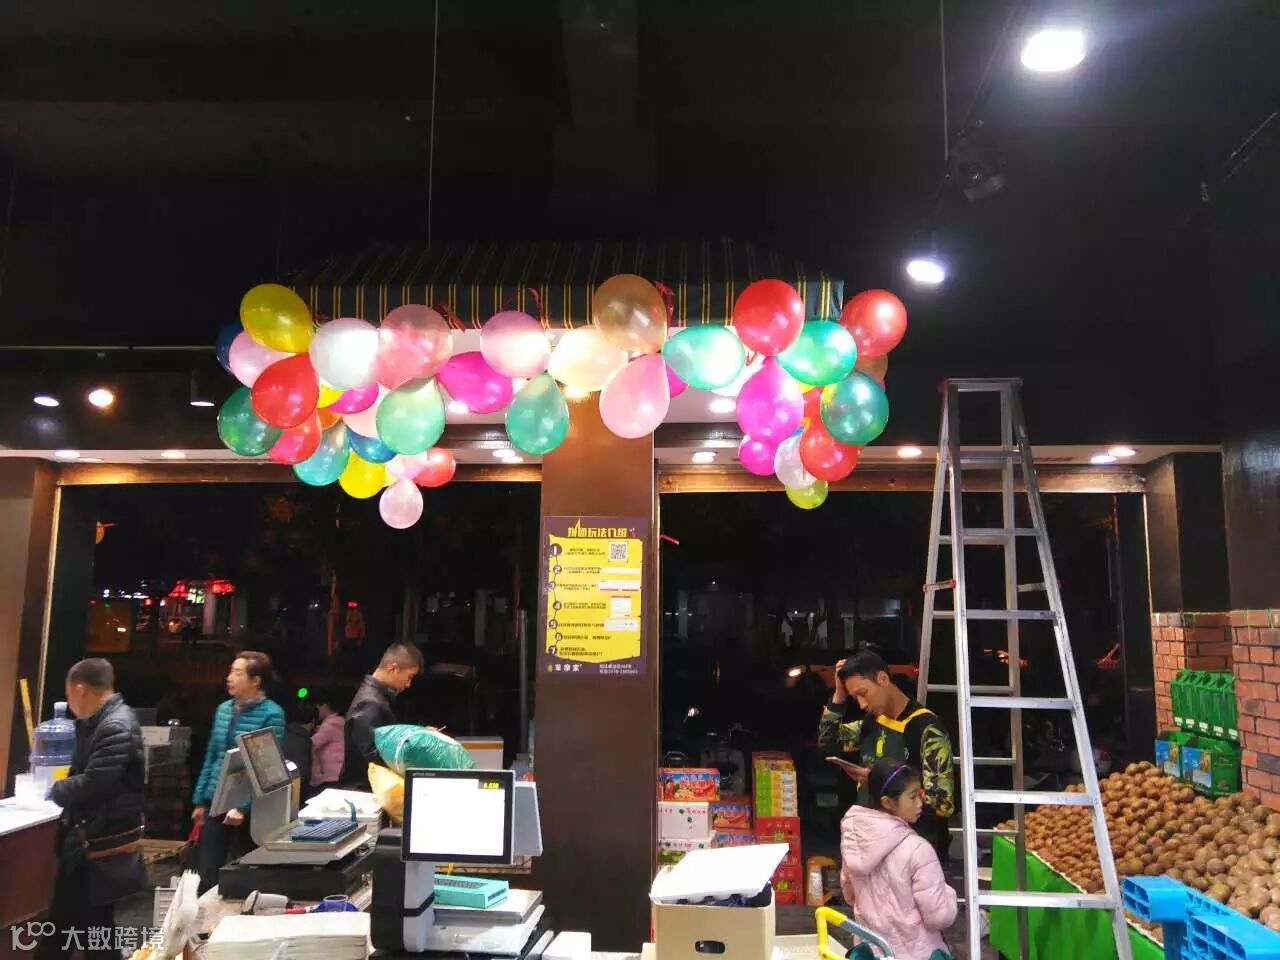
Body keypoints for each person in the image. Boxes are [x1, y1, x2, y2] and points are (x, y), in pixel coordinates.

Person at [39, 659, 145, 960]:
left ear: (80, 690)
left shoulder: (114, 726)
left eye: (69, 694)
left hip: (98, 843)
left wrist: (57, 790)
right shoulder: (104, 721)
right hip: (87, 840)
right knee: (71, 925)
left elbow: (96, 781)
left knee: (89, 928)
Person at [819, 651, 955, 859]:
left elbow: (942, 803)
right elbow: (828, 742)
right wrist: (839, 696)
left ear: (883, 679)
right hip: (871, 840)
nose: (862, 704)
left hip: (910, 850)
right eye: (855, 697)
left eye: (863, 693)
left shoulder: (926, 728)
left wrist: (878, 782)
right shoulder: (873, 721)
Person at [840, 759, 958, 960]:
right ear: (887, 802)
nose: (920, 803)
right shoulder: (918, 850)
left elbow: (850, 895)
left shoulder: (854, 842)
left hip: (871, 953)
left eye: (920, 794)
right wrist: (948, 894)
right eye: (912, 797)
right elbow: (938, 916)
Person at [190, 651, 286, 893]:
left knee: (244, 873)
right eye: (231, 671)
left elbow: (268, 768)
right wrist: (200, 799)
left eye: (237, 673)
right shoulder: (224, 709)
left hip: (251, 806)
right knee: (207, 871)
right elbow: (212, 754)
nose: (229, 677)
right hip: (216, 798)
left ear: (256, 680)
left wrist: (243, 807)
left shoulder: (272, 713)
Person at [341, 642, 423, 788]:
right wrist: (415, 744)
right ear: (394, 668)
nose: (408, 684)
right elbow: (370, 754)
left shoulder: (377, 698)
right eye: (409, 677)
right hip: (364, 791)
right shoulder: (369, 702)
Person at [310, 696, 346, 791]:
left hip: (330, 773)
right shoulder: (339, 722)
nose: (317, 711)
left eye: (318, 708)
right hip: (337, 771)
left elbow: (312, 744)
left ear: (325, 707)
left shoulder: (331, 725)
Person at [282, 701, 317, 796]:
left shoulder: (285, 733)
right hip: (295, 793)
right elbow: (303, 774)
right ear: (313, 721)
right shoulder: (303, 741)